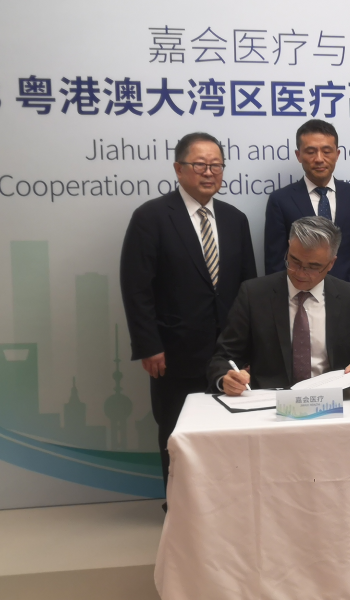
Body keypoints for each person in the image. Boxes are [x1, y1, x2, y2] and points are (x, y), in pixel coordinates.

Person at [119, 132, 258, 493]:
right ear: (178, 169)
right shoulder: (151, 217)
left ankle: (226, 504)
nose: (209, 172)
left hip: (229, 352)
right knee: (176, 432)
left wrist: (252, 345)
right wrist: (149, 346)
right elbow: (136, 288)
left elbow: (249, 288)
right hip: (173, 351)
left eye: (216, 165)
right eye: (199, 165)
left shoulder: (235, 219)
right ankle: (178, 507)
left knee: (230, 433)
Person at [209, 217, 350, 395]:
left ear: (331, 263)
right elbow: (224, 357)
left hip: (334, 400)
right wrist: (225, 378)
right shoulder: (254, 294)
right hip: (270, 402)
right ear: (288, 248)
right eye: (294, 261)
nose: (300, 273)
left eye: (313, 267)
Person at [264, 119, 350, 306]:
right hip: (300, 300)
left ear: (337, 154)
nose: (319, 158)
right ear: (299, 155)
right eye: (310, 151)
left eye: (326, 151)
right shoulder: (281, 200)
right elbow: (275, 263)